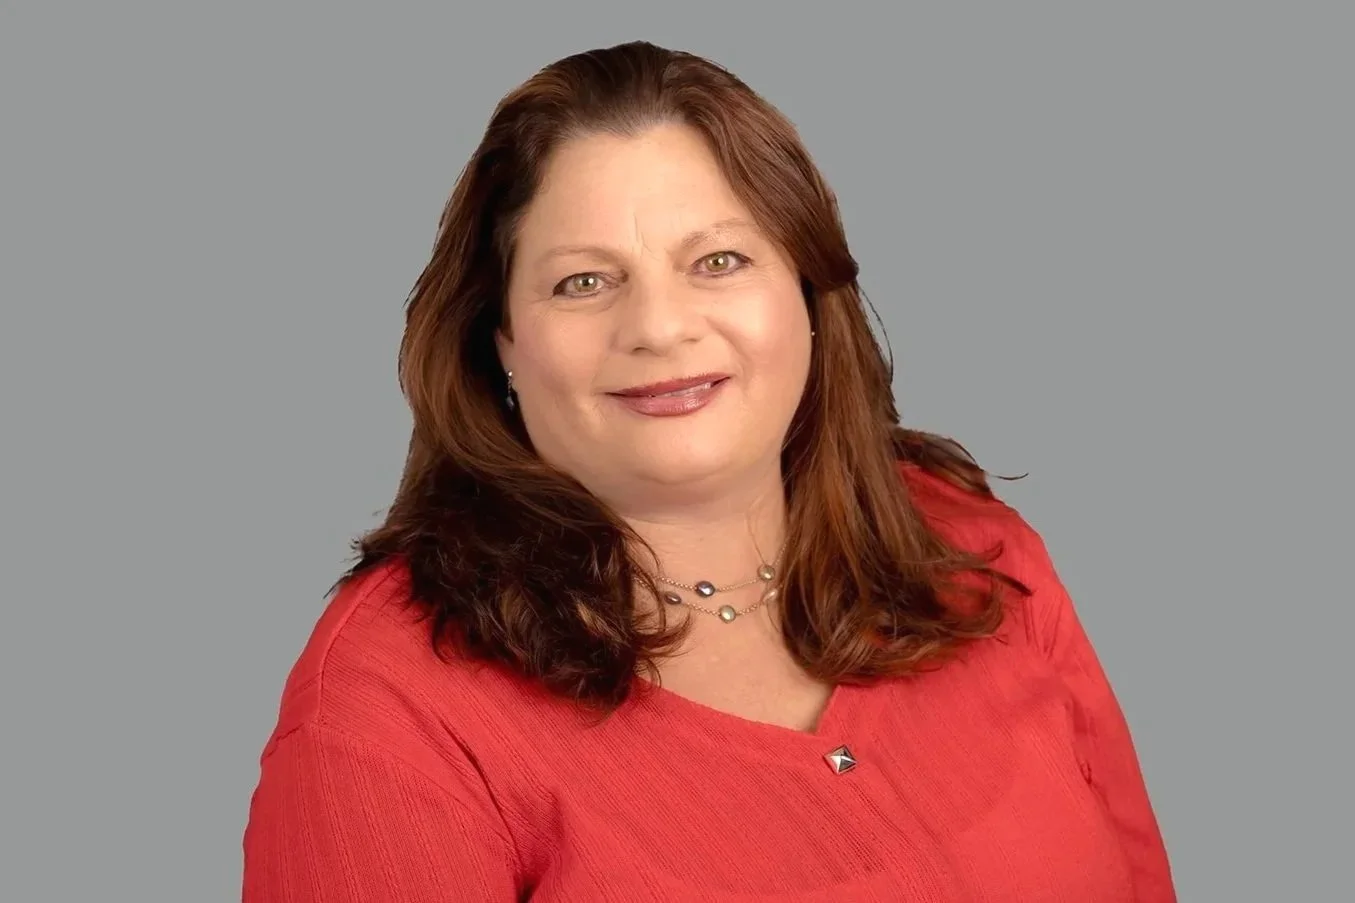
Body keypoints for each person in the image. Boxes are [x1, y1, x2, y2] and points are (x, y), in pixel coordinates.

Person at [241, 40, 1176, 902]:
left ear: (809, 297)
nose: (659, 326)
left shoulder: (973, 548)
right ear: (502, 346)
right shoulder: (383, 715)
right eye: (584, 281)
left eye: (718, 260)